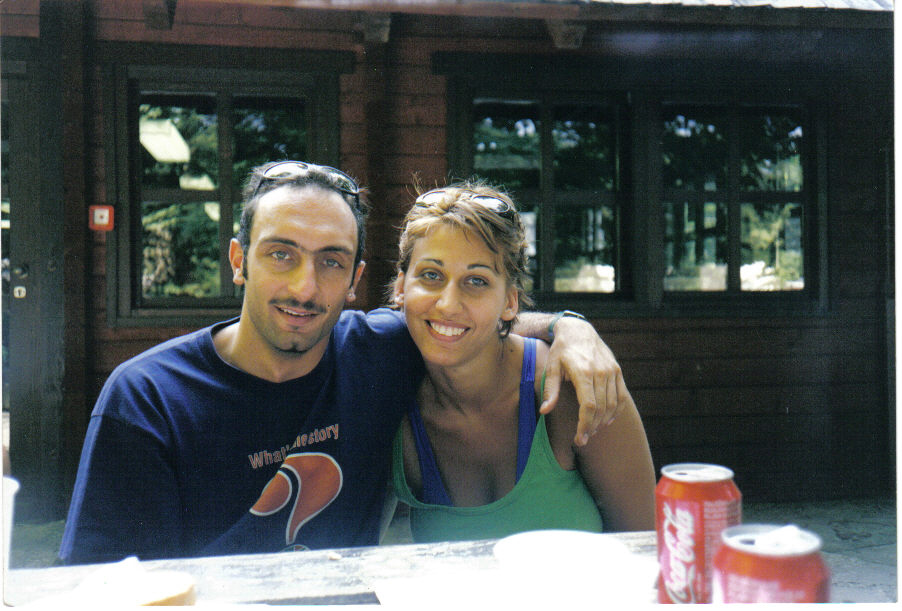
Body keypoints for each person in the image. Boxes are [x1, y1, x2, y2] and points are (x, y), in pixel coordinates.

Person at [59, 161, 631, 564]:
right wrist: (566, 326)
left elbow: (464, 323)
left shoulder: (377, 353)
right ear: (238, 260)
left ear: (357, 280)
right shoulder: (149, 397)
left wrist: (568, 328)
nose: (304, 288)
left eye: (331, 262)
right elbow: (103, 587)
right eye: (280, 254)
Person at [390, 182, 656, 542]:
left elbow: (647, 548)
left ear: (509, 303)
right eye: (431, 275)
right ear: (401, 287)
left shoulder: (572, 386)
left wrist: (570, 324)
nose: (448, 304)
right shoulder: (391, 403)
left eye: (476, 281)